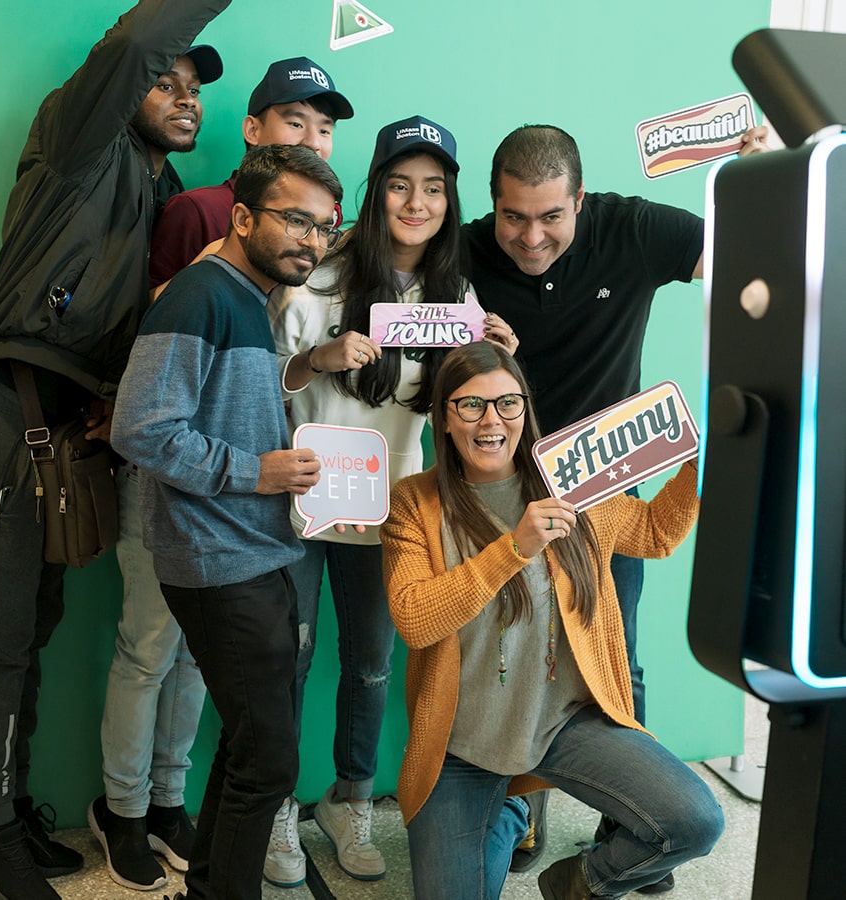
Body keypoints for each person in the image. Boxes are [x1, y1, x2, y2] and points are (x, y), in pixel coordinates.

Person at [0, 4, 227, 899]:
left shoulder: (160, 191)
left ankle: (6, 809)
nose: (183, 99)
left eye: (195, 91)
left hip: (68, 428)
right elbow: (137, 39)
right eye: (164, 82)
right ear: (121, 84)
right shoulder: (77, 139)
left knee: (33, 625)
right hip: (3, 402)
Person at [464, 123, 767, 884]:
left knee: (614, 655)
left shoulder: (635, 228)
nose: (530, 237)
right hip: (494, 483)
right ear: (491, 205)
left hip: (604, 488)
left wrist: (762, 187)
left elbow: (747, 266)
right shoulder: (462, 250)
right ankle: (521, 800)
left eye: (551, 217)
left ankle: (631, 822)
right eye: (513, 217)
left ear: (582, 202)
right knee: (504, 651)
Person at [97, 55, 352, 892]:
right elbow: (142, 430)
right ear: (242, 217)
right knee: (268, 763)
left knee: (251, 752)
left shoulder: (250, 299)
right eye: (294, 221)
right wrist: (260, 472)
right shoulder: (202, 295)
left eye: (324, 228)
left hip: (261, 551)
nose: (311, 241)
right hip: (217, 557)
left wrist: (303, 373)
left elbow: (233, 398)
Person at [379, 341, 724, 899]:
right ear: (443, 417)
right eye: (471, 406)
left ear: (525, 411)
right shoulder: (413, 503)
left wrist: (695, 468)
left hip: (562, 724)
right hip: (459, 745)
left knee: (694, 821)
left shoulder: (572, 485)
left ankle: (578, 879)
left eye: (507, 403)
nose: (492, 421)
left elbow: (656, 533)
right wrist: (513, 548)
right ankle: (515, 807)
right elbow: (415, 620)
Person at [269, 115, 517, 887]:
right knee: (289, 661)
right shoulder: (320, 275)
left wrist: (492, 360)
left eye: (435, 189)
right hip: (307, 504)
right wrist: (319, 356)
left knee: (372, 665)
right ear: (378, 194)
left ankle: (351, 800)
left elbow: (470, 409)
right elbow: (264, 381)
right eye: (402, 185)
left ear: (449, 201)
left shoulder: (459, 293)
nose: (418, 202)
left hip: (395, 512)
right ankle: (276, 809)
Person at [149, 55, 354, 290]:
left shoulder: (323, 227)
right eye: (296, 124)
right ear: (252, 130)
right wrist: (212, 266)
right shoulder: (197, 209)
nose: (313, 142)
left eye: (325, 130)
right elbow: (146, 309)